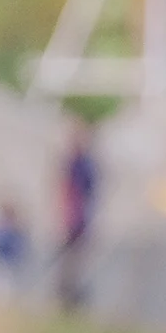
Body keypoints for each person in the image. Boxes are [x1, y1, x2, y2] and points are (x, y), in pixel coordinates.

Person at [56, 117, 97, 312]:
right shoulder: (72, 163)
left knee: (76, 263)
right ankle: (65, 297)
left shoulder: (85, 165)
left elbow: (88, 193)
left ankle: (71, 300)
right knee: (67, 262)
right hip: (70, 220)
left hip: (79, 221)